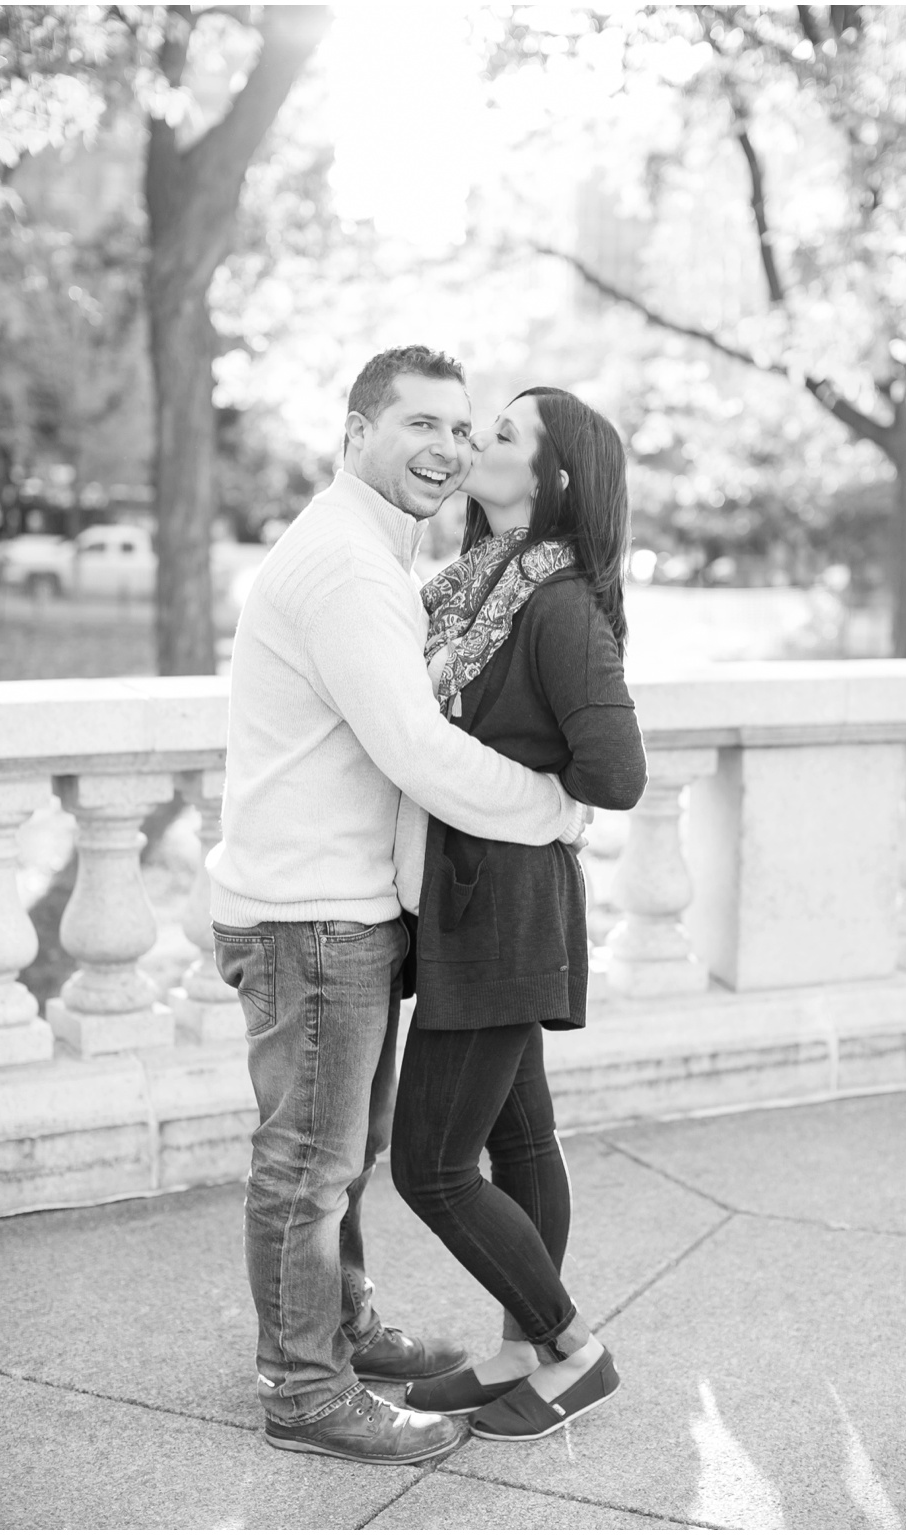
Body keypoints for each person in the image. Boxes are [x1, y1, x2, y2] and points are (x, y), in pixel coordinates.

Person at [211, 346, 591, 1464]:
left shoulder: (371, 558)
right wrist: (548, 804)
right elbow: (416, 751)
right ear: (355, 429)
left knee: (342, 1153)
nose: (447, 449)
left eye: (461, 430)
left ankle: (340, 1326)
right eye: (419, 424)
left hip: (335, 908)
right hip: (311, 913)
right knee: (309, 1164)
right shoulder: (344, 566)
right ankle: (305, 1388)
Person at [387, 388, 647, 1439]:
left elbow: (618, 773)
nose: (466, 443)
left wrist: (522, 789)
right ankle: (514, 1350)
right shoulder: (471, 587)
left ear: (552, 480)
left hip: (503, 907)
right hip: (473, 901)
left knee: (430, 1164)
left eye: (496, 433)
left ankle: (571, 1346)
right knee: (519, 1138)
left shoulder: (556, 604)